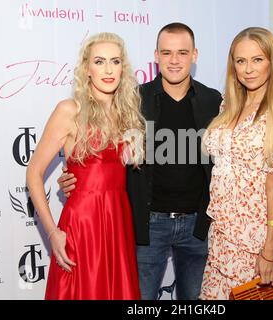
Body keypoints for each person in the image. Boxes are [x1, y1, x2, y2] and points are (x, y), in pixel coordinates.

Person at [58, 23, 222, 300]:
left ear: (195, 55)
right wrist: (74, 175)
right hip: (148, 226)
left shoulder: (212, 100)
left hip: (197, 226)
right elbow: (100, 151)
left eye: (182, 52)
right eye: (167, 52)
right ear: (155, 56)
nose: (174, 60)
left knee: (195, 299)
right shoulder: (134, 101)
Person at [26, 32, 145, 300]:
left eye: (115, 61)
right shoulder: (70, 110)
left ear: (123, 68)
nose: (108, 69)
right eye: (99, 61)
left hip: (118, 221)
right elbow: (33, 172)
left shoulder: (127, 113)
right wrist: (53, 233)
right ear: (86, 69)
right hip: (84, 223)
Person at [199, 27, 273, 300]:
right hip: (221, 233)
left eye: (257, 59)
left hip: (255, 239)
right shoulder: (229, 106)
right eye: (241, 61)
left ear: (272, 62)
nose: (248, 69)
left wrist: (270, 247)